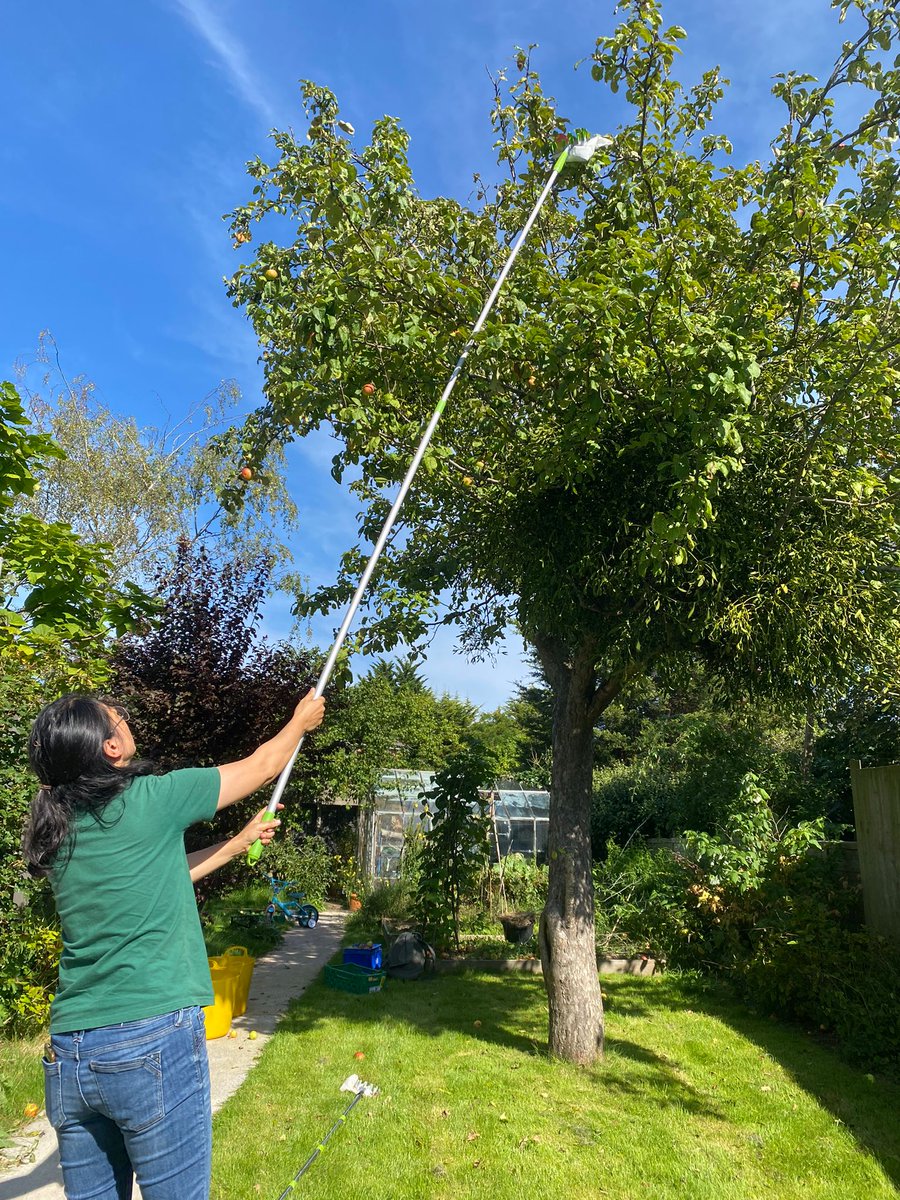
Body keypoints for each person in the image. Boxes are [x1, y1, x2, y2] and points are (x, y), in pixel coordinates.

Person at [22, 689, 325, 1200]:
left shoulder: (57, 829)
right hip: (150, 1039)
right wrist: (300, 722)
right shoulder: (152, 797)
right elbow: (265, 764)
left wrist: (235, 845)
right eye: (120, 720)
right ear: (110, 748)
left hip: (72, 1052)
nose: (126, 723)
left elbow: (160, 877)